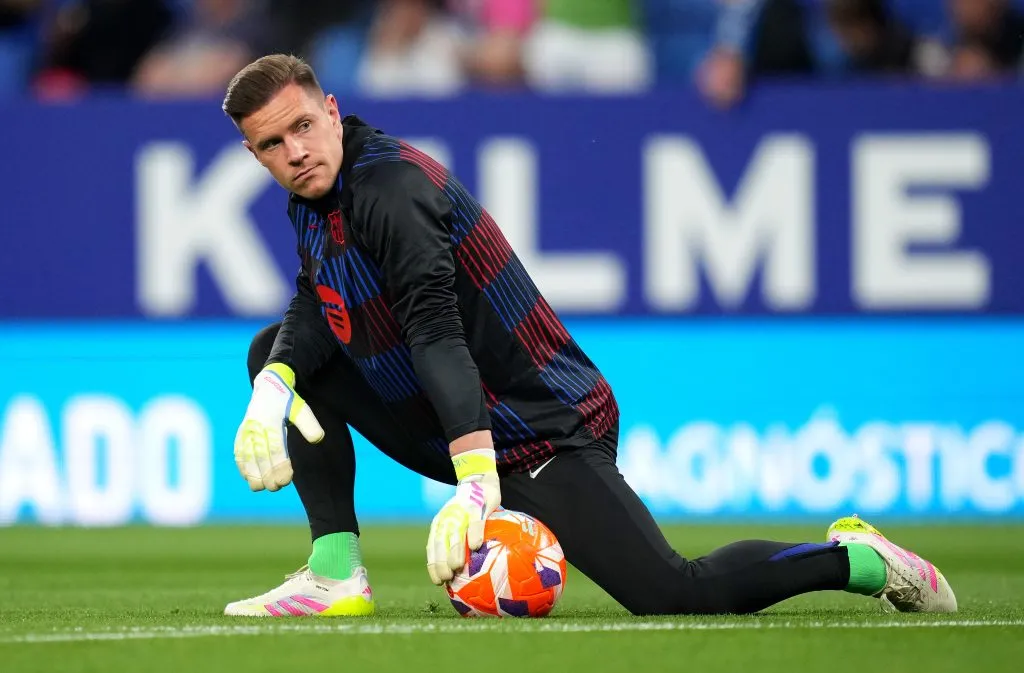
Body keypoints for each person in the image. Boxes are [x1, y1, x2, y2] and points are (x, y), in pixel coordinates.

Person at [220, 53, 957, 617]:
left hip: (540, 427)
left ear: (332, 111)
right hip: (458, 423)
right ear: (255, 155)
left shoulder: (394, 189)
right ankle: (336, 572)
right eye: (272, 143)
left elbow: (436, 332)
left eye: (303, 127)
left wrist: (476, 482)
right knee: (272, 352)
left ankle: (856, 559)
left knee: (673, 593)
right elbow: (318, 298)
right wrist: (274, 385)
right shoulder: (315, 196)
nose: (295, 151)